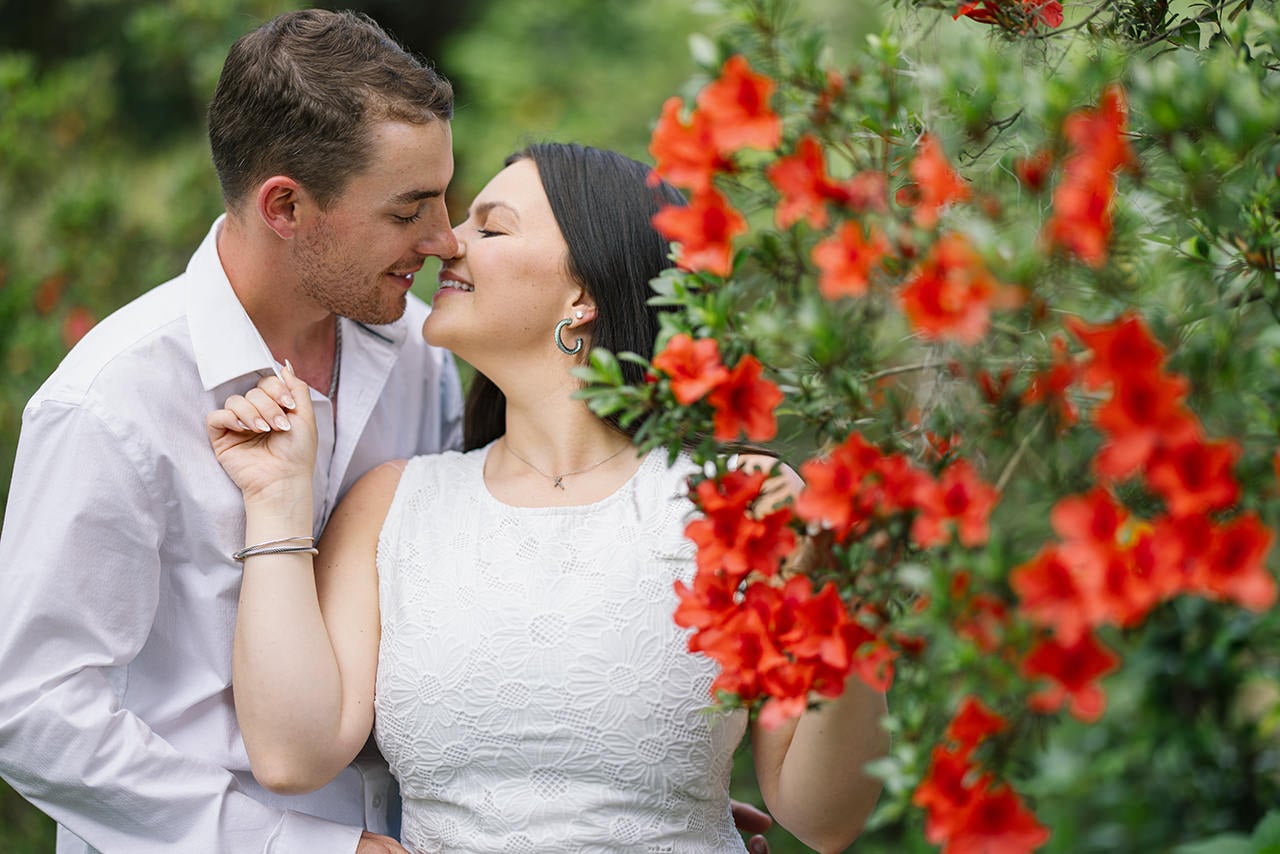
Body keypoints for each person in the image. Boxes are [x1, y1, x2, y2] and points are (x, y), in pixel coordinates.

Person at [209, 142, 890, 853]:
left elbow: (822, 818)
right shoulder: (391, 507)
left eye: (489, 227)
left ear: (583, 296)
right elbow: (293, 756)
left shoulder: (742, 502)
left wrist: (858, 614)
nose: (446, 242)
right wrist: (278, 501)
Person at [0, 10, 462, 853]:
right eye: (408, 212)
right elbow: (33, 710)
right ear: (285, 205)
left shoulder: (421, 359)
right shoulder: (111, 402)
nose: (444, 239)